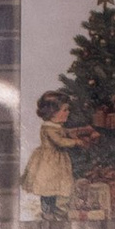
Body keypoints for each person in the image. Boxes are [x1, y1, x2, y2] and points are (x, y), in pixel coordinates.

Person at [22, 84, 80, 216]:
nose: (68, 112)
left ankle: (56, 208)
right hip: (49, 162)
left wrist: (74, 132)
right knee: (48, 186)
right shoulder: (48, 128)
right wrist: (75, 142)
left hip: (57, 160)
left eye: (68, 109)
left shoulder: (56, 126)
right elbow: (59, 141)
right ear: (52, 113)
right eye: (65, 110)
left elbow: (64, 132)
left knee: (57, 186)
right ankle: (47, 210)